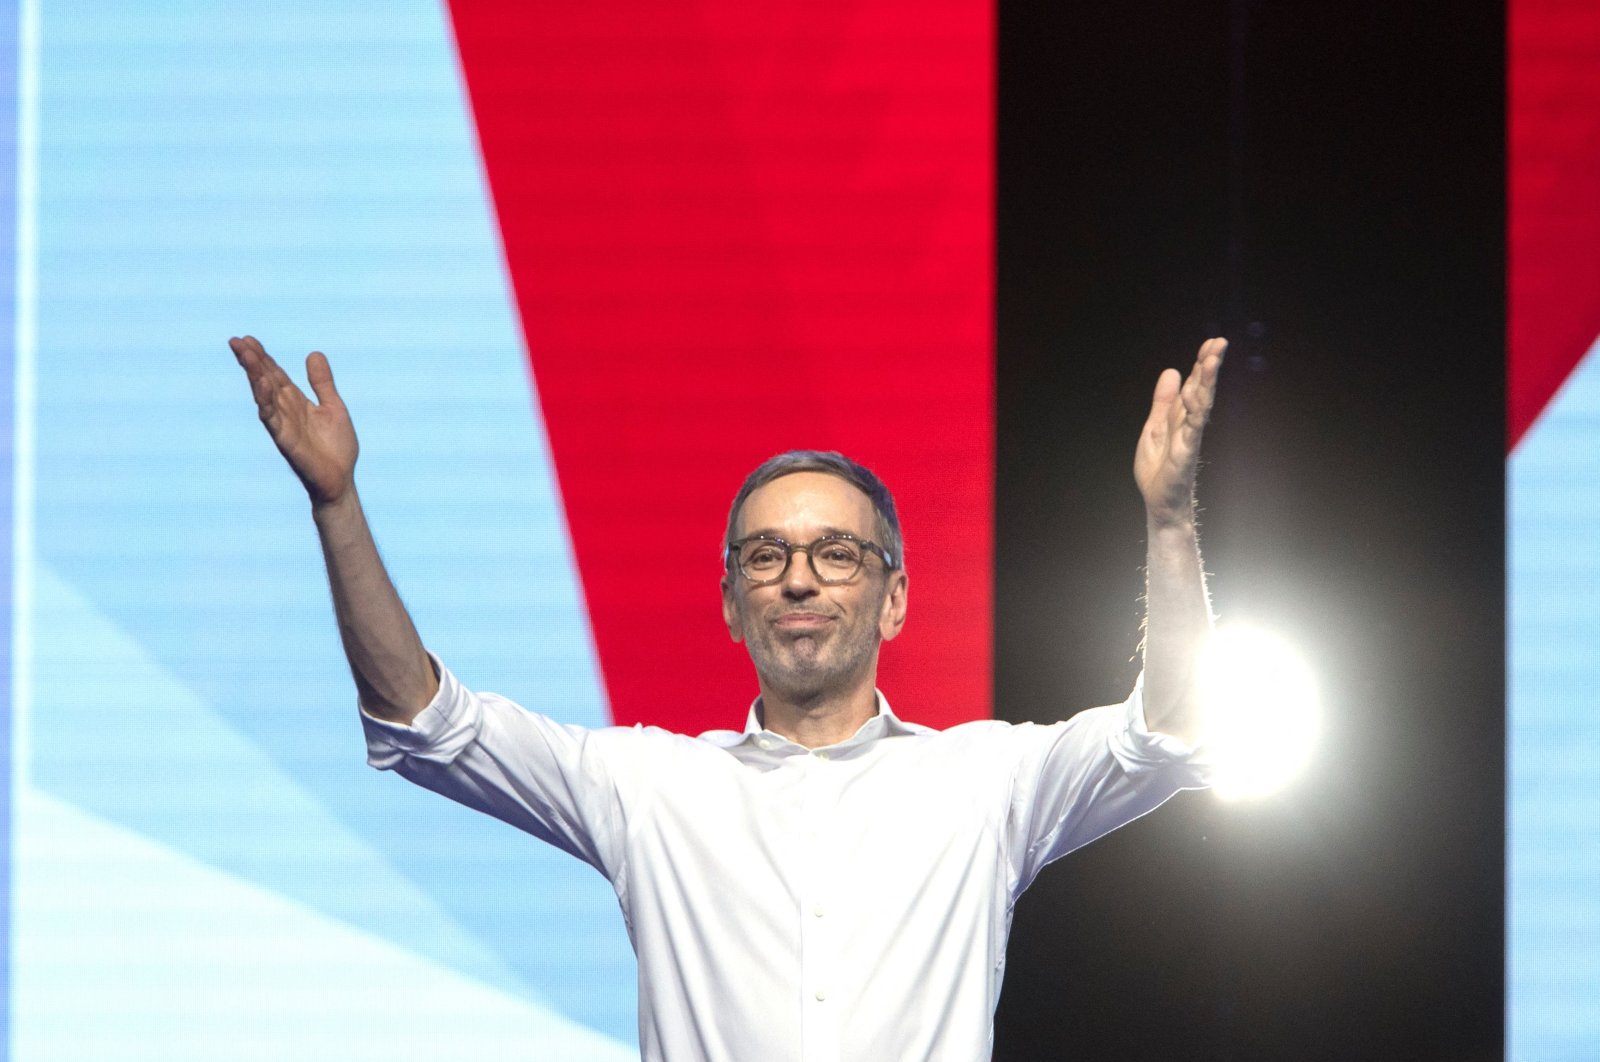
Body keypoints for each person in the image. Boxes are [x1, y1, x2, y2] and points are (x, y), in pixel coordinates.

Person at [230, 333, 1227, 1062]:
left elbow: (1169, 731)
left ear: (894, 601)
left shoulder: (984, 782)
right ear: (729, 604)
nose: (798, 580)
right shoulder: (649, 788)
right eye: (765, 556)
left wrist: (1171, 524)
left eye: (835, 553)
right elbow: (422, 720)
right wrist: (335, 502)